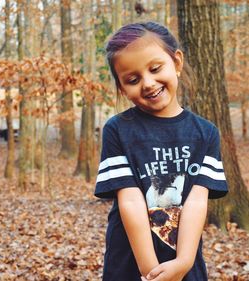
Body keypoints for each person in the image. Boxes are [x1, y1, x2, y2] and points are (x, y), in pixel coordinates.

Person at [94, 22, 228, 281]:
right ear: (122, 88)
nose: (148, 83)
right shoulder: (118, 130)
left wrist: (184, 262)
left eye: (155, 69)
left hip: (184, 264)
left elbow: (197, 201)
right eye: (132, 80)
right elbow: (130, 201)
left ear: (176, 62)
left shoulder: (205, 133)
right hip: (131, 263)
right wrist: (150, 271)